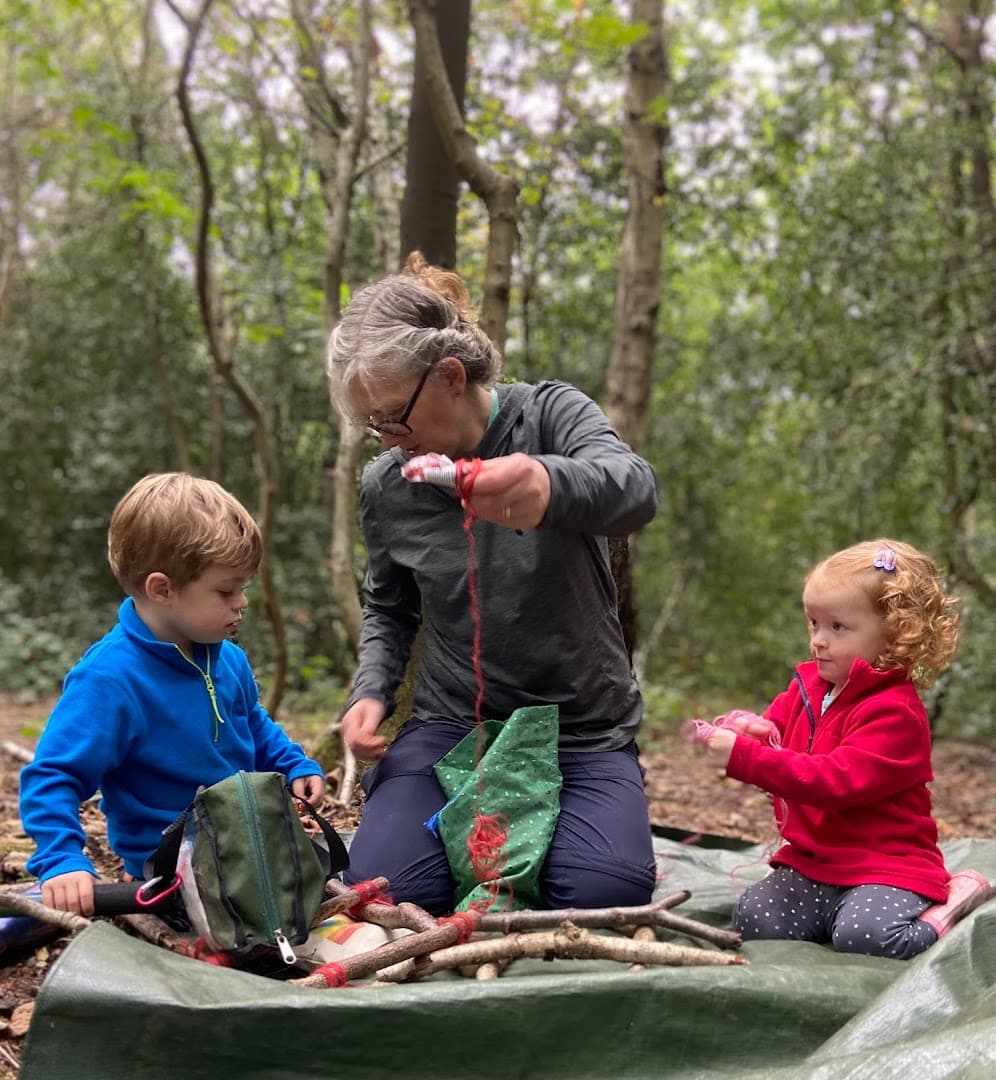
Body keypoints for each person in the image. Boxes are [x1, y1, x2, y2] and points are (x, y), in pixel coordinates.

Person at [326, 253, 659, 915]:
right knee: (388, 894)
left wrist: (548, 483)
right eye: (372, 426)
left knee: (602, 893)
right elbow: (389, 606)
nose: (388, 441)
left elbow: (635, 489)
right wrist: (370, 691)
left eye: (393, 417)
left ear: (450, 376)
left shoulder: (551, 416)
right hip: (454, 726)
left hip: (580, 730)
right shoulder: (389, 485)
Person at [19, 473, 326, 916]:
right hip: (171, 866)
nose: (241, 602)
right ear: (162, 589)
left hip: (246, 839)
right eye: (226, 590)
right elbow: (53, 776)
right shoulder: (110, 679)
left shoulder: (227, 657)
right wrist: (62, 860)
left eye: (244, 587)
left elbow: (253, 724)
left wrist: (292, 763)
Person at [689, 538, 992, 959]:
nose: (818, 640)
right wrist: (747, 728)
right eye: (814, 624)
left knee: (868, 938)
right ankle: (835, 910)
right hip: (816, 861)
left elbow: (835, 779)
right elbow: (774, 724)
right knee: (755, 920)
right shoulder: (810, 687)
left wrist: (746, 758)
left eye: (837, 627)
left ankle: (953, 902)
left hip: (887, 865)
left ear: (894, 634)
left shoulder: (896, 713)